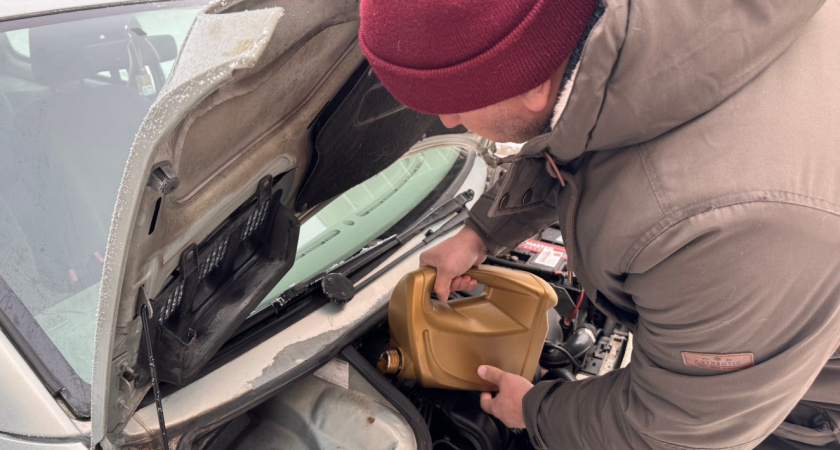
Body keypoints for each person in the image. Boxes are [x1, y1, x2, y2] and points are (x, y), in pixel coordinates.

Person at [359, 0, 840, 449]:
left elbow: (676, 432)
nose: (446, 121)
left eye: (458, 100)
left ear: (531, 83)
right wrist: (481, 232)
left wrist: (532, 411)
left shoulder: (727, 224)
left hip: (797, 399)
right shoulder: (632, 33)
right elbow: (584, 124)